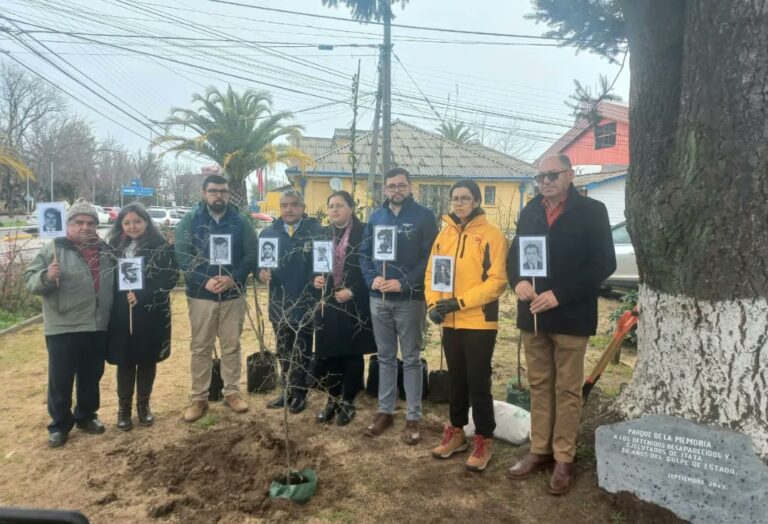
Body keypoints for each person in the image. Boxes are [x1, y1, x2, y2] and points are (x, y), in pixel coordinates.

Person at [506, 154, 616, 495]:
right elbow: (515, 257)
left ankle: (564, 457)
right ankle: (540, 450)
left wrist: (561, 294)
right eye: (540, 177)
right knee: (539, 386)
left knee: (567, 390)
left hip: (570, 315)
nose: (545, 182)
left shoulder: (592, 212)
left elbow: (604, 263)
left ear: (570, 175)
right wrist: (518, 281)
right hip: (534, 317)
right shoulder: (530, 211)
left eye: (552, 175)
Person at [425, 179, 508, 472]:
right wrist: (434, 303)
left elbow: (497, 281)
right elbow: (432, 272)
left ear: (475, 201)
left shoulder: (492, 235)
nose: (459, 203)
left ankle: (484, 438)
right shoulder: (443, 234)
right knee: (456, 379)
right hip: (450, 320)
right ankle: (457, 430)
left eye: (465, 198)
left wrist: (460, 302)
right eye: (455, 198)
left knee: (478, 381)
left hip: (479, 321)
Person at [23, 202, 115, 448]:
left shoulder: (105, 251)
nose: (85, 227)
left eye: (90, 223)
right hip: (63, 325)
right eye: (79, 223)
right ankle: (60, 425)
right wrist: (46, 277)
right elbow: (30, 281)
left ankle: (86, 416)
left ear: (97, 226)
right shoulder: (52, 249)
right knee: (61, 378)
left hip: (96, 325)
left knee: (91, 376)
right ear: (68, 225)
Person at [360, 167, 438, 444]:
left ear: (410, 186)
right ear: (385, 189)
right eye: (391, 186)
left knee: (412, 358)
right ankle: (385, 410)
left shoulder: (424, 217)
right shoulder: (376, 218)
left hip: (409, 299)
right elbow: (364, 255)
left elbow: (430, 257)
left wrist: (404, 283)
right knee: (385, 357)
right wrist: (373, 279)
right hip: (379, 299)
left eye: (401, 185)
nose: (396, 190)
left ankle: (413, 415)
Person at [175, 174, 259, 422]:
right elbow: (183, 256)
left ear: (228, 193)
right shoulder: (190, 221)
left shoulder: (240, 222)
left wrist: (234, 277)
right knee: (200, 346)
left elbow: (251, 254)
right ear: (204, 193)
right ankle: (199, 398)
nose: (218, 195)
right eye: (213, 191)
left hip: (233, 294)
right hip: (202, 296)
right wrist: (204, 280)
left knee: (231, 345)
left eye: (223, 191)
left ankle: (231, 392)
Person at [106, 203, 178, 431]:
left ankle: (143, 406)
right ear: (121, 225)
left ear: (146, 222)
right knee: (126, 361)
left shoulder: (160, 247)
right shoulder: (114, 246)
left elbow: (169, 278)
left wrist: (143, 295)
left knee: (147, 360)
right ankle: (123, 408)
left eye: (137, 221)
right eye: (127, 222)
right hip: (121, 313)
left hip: (150, 314)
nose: (132, 226)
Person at [312, 191, 376, 426]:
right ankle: (332, 398)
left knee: (352, 352)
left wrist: (354, 290)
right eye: (330, 206)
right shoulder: (322, 233)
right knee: (329, 352)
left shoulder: (364, 232)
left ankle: (348, 400)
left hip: (354, 302)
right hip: (328, 302)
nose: (334, 210)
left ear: (351, 207)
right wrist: (315, 280)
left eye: (339, 205)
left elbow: (371, 265)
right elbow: (315, 266)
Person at [258, 190, 322, 414]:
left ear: (303, 207)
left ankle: (300, 393)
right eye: (284, 205)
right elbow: (260, 265)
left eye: (294, 205)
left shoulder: (316, 232)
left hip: (306, 302)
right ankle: (286, 390)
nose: (289, 209)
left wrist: (318, 276)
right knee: (283, 349)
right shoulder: (268, 234)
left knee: (303, 349)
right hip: (280, 302)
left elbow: (324, 262)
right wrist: (261, 274)